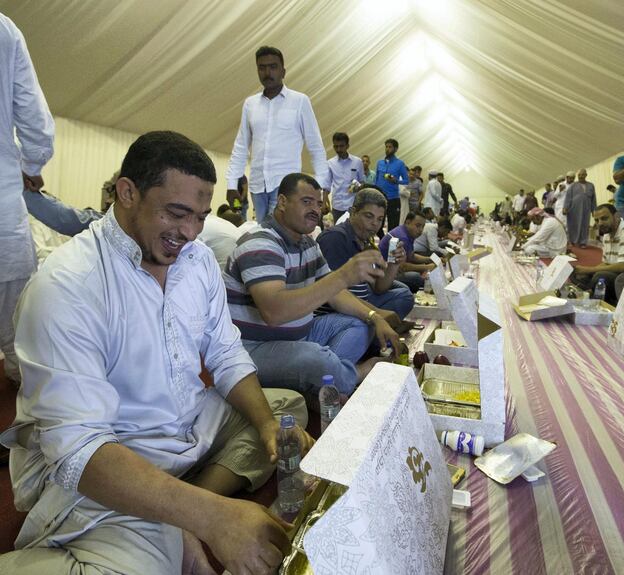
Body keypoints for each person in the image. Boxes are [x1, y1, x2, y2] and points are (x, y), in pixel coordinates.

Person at [0, 131, 312, 575]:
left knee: (284, 412)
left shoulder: (198, 261)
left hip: (186, 423)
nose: (189, 232)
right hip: (109, 452)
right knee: (152, 565)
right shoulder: (67, 285)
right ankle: (166, 521)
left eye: (201, 217)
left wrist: (265, 430)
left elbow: (225, 353)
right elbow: (79, 451)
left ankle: (178, 505)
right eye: (176, 213)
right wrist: (215, 518)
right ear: (127, 193)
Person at [224, 173, 398, 401]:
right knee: (314, 358)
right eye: (306, 202)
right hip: (255, 347)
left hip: (301, 337)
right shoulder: (261, 242)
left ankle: (320, 382)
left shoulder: (306, 243)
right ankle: (353, 374)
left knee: (361, 324)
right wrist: (343, 275)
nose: (316, 209)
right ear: (283, 202)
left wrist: (375, 317)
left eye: (318, 203)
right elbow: (274, 312)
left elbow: (336, 295)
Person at [0, 14, 55, 385]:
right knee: (17, 335)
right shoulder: (5, 31)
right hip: (2, 204)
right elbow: (35, 122)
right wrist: (31, 163)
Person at [226, 46, 326, 223]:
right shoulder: (250, 104)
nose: (267, 72)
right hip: (258, 185)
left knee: (279, 234)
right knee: (263, 231)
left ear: (283, 71)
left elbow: (315, 146)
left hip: (286, 186)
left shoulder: (300, 101)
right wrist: (231, 184)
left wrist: (322, 188)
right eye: (262, 67)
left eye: (273, 67)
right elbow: (241, 146)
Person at [317, 188, 414, 322]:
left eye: (380, 219)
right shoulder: (336, 238)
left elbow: (378, 288)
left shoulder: (367, 240)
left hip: (361, 302)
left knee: (404, 294)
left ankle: (373, 330)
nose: (375, 224)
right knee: (357, 327)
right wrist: (374, 314)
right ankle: (372, 331)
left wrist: (394, 264)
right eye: (369, 216)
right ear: (353, 212)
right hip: (337, 312)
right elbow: (334, 294)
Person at [572, 204, 624, 304]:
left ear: (616, 216)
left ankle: (595, 299)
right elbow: (606, 264)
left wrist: (589, 270)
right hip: (621, 277)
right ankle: (594, 295)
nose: (600, 223)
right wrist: (585, 271)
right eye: (596, 220)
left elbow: (623, 267)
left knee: (600, 277)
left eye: (604, 218)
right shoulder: (607, 235)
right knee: (577, 274)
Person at [379, 211, 438, 293]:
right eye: (418, 226)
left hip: (390, 269)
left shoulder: (405, 232)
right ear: (408, 222)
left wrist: (430, 259)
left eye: (422, 227)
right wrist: (427, 267)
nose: (421, 230)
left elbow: (411, 256)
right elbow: (402, 267)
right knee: (416, 278)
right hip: (385, 274)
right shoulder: (403, 237)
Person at [322, 132, 364, 222]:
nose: (339, 149)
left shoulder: (357, 162)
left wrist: (358, 187)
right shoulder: (330, 163)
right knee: (338, 232)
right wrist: (323, 203)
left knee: (353, 232)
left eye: (341, 146)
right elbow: (326, 186)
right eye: (336, 146)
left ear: (347, 146)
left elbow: (362, 182)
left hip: (353, 206)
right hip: (337, 206)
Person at [373, 138, 408, 230]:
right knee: (377, 225)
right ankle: (381, 242)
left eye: (390, 147)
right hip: (380, 199)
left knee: (393, 226)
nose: (387, 149)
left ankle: (390, 243)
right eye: (386, 147)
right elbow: (376, 180)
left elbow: (406, 180)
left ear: (396, 149)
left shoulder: (400, 164)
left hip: (393, 199)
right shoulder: (379, 163)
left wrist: (396, 181)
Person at [563, 168, 597, 247]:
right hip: (574, 209)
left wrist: (594, 210)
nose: (580, 176)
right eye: (579, 175)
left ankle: (583, 242)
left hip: (586, 209)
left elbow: (593, 199)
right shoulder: (573, 186)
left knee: (585, 225)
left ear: (586, 175)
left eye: (582, 175)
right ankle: (572, 241)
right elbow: (568, 198)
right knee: (573, 225)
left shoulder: (591, 185)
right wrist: (565, 208)